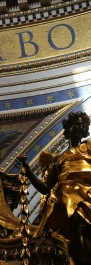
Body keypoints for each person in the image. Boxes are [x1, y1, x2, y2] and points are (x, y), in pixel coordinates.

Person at [19, 111, 91, 264]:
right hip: (69, 193)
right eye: (76, 124)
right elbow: (45, 188)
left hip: (88, 189)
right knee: (79, 226)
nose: (80, 127)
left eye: (82, 125)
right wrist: (28, 170)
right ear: (69, 128)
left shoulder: (89, 147)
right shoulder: (59, 158)